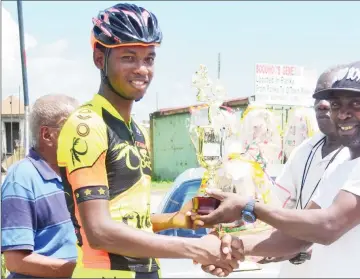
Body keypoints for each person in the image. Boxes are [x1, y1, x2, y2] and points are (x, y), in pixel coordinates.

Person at [56, 3, 240, 279]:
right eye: (129, 57)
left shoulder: (136, 131)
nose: (142, 69)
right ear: (99, 59)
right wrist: (197, 249)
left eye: (149, 59)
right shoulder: (87, 125)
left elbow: (126, 222)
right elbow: (99, 232)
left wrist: (175, 219)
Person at [195, 60, 360, 278]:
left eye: (356, 104)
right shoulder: (343, 164)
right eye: (336, 105)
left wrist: (249, 207)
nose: (342, 114)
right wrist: (232, 246)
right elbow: (297, 238)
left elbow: (327, 226)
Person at [263, 65, 350, 277]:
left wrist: (302, 245)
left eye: (331, 97)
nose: (322, 104)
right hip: (294, 270)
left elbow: (342, 223)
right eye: (318, 97)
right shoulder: (304, 149)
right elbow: (279, 203)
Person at [1, 94, 80, 278]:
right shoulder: (21, 179)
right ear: (47, 134)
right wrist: (82, 272)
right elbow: (16, 261)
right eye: (73, 128)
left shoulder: (76, 175)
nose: (81, 136)